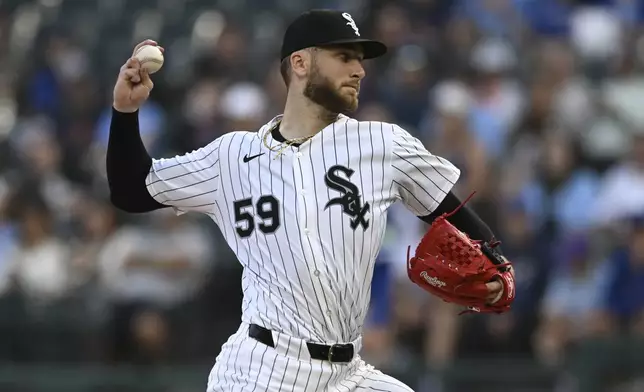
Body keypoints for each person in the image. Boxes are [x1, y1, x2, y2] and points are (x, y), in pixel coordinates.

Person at [107, 9, 507, 392]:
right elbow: (131, 191)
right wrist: (125, 113)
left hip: (348, 373)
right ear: (300, 63)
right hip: (262, 369)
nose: (359, 69)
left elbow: (450, 209)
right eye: (344, 56)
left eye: (360, 59)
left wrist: (496, 262)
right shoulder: (231, 157)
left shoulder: (383, 145)